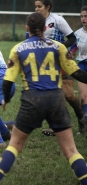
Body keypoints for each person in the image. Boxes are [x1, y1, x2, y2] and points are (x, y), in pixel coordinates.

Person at [0, 12, 87, 185]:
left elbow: (7, 81)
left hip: (32, 100)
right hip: (56, 100)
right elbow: (78, 73)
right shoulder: (58, 47)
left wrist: (6, 99)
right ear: (44, 28)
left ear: (27, 28)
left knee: (14, 145)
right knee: (71, 150)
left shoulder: (18, 49)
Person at [33, 0, 87, 136]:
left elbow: (72, 39)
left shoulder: (58, 20)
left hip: (61, 60)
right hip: (45, 65)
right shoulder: (34, 22)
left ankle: (81, 118)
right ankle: (57, 125)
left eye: (39, 6)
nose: (37, 9)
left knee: (68, 94)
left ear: (48, 7)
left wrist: (59, 47)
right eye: (35, 7)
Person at [69, 6, 87, 133]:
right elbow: (74, 49)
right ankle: (84, 124)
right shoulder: (77, 34)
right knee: (83, 97)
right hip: (82, 66)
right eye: (81, 16)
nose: (83, 19)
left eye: (85, 16)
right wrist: (70, 54)